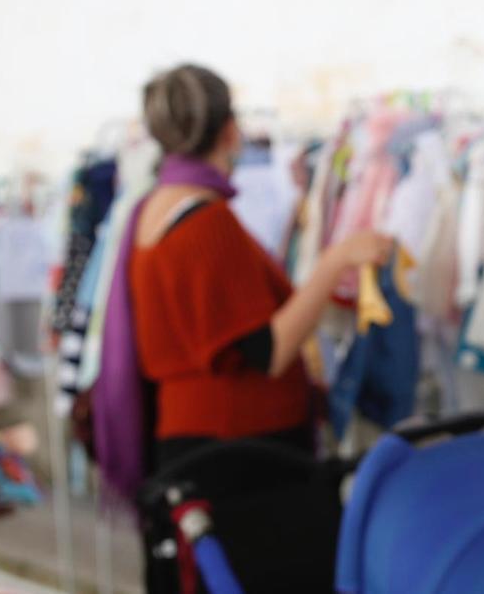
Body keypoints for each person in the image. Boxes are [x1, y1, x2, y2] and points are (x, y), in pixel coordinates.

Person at [98, 64, 391, 590]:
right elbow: (266, 350)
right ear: (229, 130)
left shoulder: (154, 209)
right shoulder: (205, 222)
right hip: (239, 457)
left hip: (202, 445)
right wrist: (335, 262)